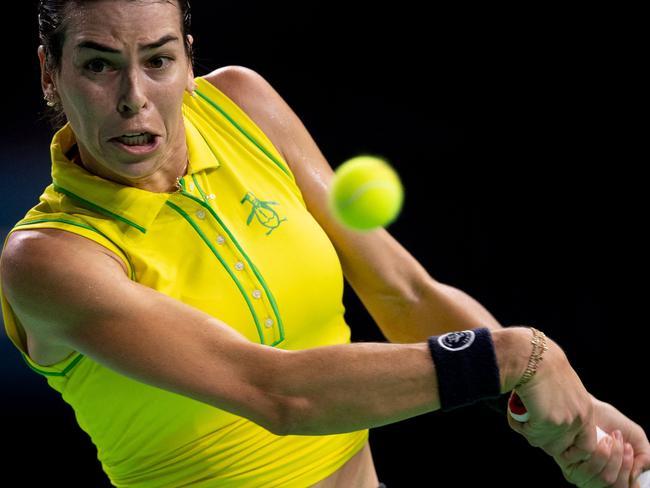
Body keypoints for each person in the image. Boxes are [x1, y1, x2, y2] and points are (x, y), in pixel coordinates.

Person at [0, 1, 647, 486]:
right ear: (50, 74)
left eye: (159, 59)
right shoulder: (49, 259)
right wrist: (510, 357)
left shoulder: (242, 104)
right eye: (97, 65)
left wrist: (577, 424)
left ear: (189, 61)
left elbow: (403, 292)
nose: (134, 98)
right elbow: (278, 392)